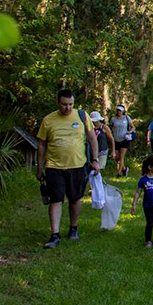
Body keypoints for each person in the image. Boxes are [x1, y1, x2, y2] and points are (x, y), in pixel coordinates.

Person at [36, 88, 101, 249]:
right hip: (54, 167)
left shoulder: (82, 116)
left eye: (71, 104)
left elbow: (92, 138)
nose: (68, 108)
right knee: (56, 200)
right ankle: (55, 234)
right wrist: (39, 167)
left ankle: (73, 228)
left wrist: (95, 159)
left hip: (78, 166)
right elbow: (42, 145)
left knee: (75, 199)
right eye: (64, 104)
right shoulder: (48, 120)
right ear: (58, 102)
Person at [130, 154, 153, 248]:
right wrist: (134, 204)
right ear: (150, 167)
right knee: (150, 223)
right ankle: (148, 241)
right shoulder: (143, 180)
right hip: (148, 205)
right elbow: (138, 192)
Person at [109, 104, 135, 177]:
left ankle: (119, 173)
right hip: (116, 139)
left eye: (120, 111)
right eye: (118, 110)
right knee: (117, 158)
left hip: (124, 139)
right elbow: (112, 127)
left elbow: (133, 127)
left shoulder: (126, 118)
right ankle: (124, 169)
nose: (119, 112)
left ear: (123, 111)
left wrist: (129, 132)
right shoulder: (113, 119)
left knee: (121, 156)